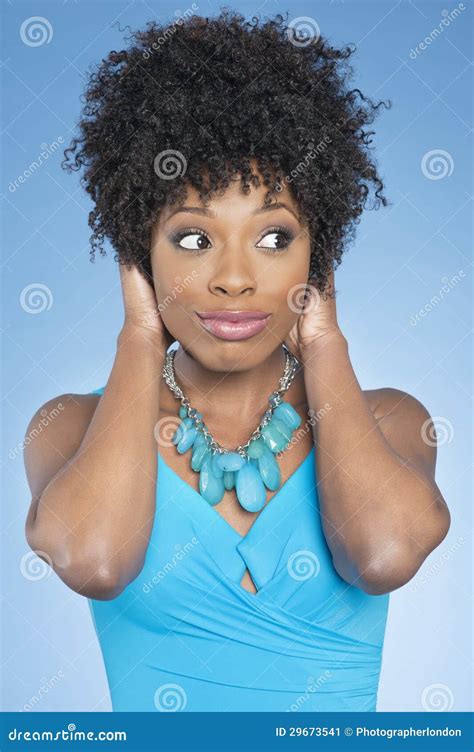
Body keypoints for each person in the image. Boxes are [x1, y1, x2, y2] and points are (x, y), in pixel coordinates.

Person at [23, 10, 450, 712]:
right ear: (138, 250)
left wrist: (322, 341)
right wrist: (139, 332)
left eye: (275, 237)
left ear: (323, 247)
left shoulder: (391, 420)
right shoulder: (69, 428)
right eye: (192, 240)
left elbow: (381, 556)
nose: (234, 278)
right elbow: (95, 560)